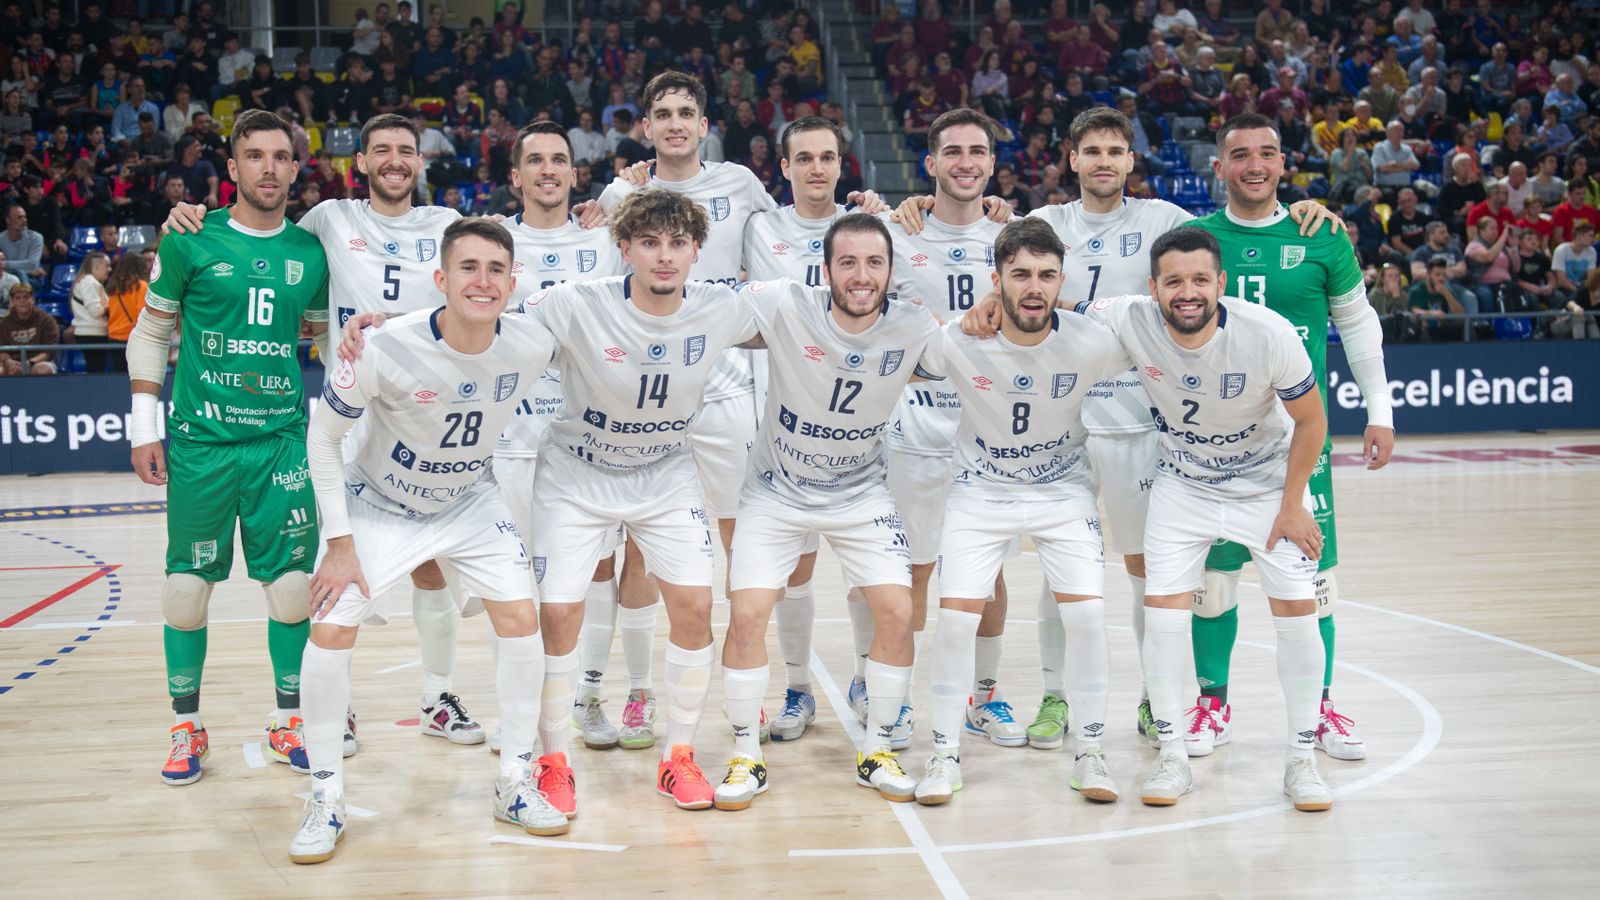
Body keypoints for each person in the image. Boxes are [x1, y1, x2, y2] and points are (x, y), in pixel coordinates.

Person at [965, 226, 1336, 811]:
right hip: (1183, 485)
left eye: (1198, 280)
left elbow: (1312, 421)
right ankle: (1170, 755)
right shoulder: (1130, 316)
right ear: (1154, 287)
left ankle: (1301, 761)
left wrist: (1292, 505)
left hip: (1265, 485)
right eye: (1173, 282)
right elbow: (1052, 302)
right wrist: (992, 302)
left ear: (1221, 282)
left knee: (1296, 610)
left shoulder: (1268, 335)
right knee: (1163, 612)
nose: (1186, 292)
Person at [163, 113, 486, 752]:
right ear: (358, 163)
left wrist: (602, 206)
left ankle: (436, 697)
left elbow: (518, 254)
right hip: (347, 419)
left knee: (432, 569)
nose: (395, 161)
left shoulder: (450, 226)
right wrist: (186, 216)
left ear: (420, 162)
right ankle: (330, 708)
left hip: (426, 419)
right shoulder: (327, 222)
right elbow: (261, 236)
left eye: (407, 151)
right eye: (381, 150)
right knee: (329, 570)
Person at [1021, 107, 1340, 747]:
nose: (1104, 161)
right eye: (1092, 151)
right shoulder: (1041, 224)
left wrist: (1308, 212)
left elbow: (1241, 218)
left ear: (1131, 160)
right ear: (1071, 159)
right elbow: (992, 250)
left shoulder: (1170, 221)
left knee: (1152, 576)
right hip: (1064, 424)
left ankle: (1152, 698)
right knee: (1061, 574)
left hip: (1146, 426)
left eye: (1116, 150)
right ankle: (1055, 696)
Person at [292, 217, 568, 865]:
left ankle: (515, 779)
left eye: (497, 269)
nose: (483, 280)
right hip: (380, 504)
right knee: (330, 626)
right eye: (468, 268)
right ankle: (325, 795)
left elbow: (609, 304)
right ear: (440, 280)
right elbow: (322, 439)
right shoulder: (384, 347)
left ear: (512, 281)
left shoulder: (530, 342)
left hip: (470, 500)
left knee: (522, 616)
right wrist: (338, 541)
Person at [126, 110, 332, 787]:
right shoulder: (191, 238)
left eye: (281, 156)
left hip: (279, 443)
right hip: (202, 444)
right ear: (233, 168)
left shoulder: (310, 254)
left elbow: (324, 346)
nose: (268, 168)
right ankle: (186, 728)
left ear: (296, 168)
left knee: (294, 590)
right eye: (255, 155)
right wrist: (142, 424)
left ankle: (289, 721)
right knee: (186, 590)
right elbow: (152, 335)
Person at [1185, 113, 1395, 762]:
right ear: (1218, 167)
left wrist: (1379, 410)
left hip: (1302, 444)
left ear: (1284, 164)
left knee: (1313, 582)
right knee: (1215, 585)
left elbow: (1359, 329)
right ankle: (1212, 702)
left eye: (1268, 154)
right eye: (1240, 154)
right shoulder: (1192, 241)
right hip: (1214, 446)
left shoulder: (1323, 237)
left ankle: (1321, 707)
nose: (1255, 165)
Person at [715, 213, 939, 810]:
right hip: (775, 490)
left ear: (892, 271)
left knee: (897, 609)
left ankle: (878, 748)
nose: (861, 276)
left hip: (861, 491)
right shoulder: (786, 304)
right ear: (825, 269)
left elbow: (968, 351)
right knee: (747, 613)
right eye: (847, 262)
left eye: (873, 263)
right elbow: (703, 307)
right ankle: (744, 754)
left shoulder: (914, 325)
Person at [910, 217, 1132, 807]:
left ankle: (1089, 750)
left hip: (1063, 492)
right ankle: (943, 753)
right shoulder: (959, 339)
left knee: (1085, 618)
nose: (1034, 286)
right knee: (956, 619)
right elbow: (898, 351)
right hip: (981, 491)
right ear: (997, 279)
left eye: (1047, 275)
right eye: (1021, 274)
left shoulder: (1094, 339)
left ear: (1063, 280)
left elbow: (1166, 326)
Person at [491, 122, 627, 756]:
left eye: (561, 161)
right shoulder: (491, 241)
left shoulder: (604, 238)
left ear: (577, 175)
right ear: (515, 176)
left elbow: (670, 195)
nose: (549, 170)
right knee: (514, 583)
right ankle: (517, 712)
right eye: (535, 160)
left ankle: (587, 696)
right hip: (512, 437)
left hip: (586, 436)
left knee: (597, 569)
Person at [0, 282, 59, 375]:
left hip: (38, 362)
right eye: (18, 298)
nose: (22, 301)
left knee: (42, 370)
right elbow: (2, 349)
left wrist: (30, 363)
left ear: (33, 299)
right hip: (13, 363)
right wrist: (8, 362)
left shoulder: (47, 320)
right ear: (12, 301)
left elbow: (49, 351)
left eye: (26, 297)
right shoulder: (5, 323)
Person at [70, 250, 112, 372]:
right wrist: (114, 306)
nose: (109, 269)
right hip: (92, 334)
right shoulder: (90, 283)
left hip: (92, 333)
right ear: (97, 266)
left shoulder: (87, 282)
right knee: (95, 372)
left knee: (95, 370)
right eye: (107, 266)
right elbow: (96, 311)